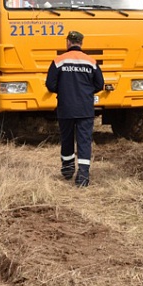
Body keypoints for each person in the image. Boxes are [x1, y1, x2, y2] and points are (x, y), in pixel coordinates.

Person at [45, 31, 104, 187]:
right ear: (81, 43)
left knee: (67, 138)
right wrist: (86, 92)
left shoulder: (59, 61)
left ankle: (67, 169)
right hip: (85, 108)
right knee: (84, 140)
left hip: (66, 107)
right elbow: (100, 84)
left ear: (68, 43)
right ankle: (83, 175)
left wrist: (63, 91)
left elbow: (50, 84)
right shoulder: (91, 62)